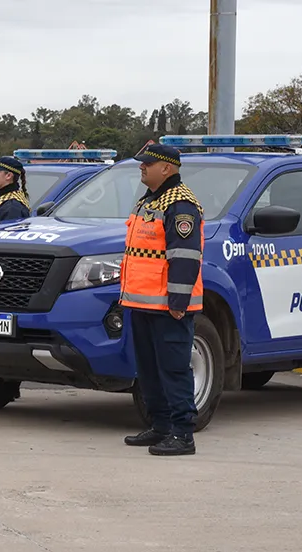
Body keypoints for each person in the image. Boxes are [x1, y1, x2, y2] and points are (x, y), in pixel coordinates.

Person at [121, 144, 205, 457]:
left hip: (169, 305)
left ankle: (183, 434)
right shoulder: (149, 201)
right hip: (143, 303)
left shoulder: (180, 204)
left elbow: (184, 256)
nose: (142, 168)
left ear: (167, 168)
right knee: (149, 369)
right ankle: (160, 425)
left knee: (173, 369)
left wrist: (179, 301)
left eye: (148, 164)